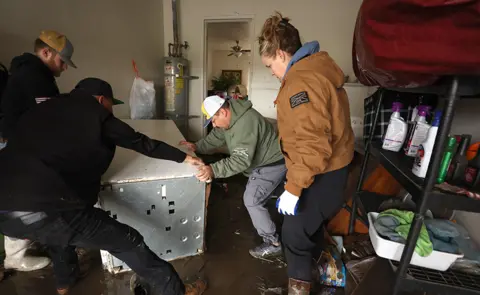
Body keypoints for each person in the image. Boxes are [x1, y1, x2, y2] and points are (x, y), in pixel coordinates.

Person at [0, 78, 207, 295]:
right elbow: (142, 142)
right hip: (46, 208)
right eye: (111, 105)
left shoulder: (42, 109)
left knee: (58, 232)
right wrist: (185, 158)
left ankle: (65, 283)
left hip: (6, 210)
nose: (111, 111)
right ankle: (176, 291)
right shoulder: (96, 115)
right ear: (101, 100)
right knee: (128, 242)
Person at [258, 12, 354, 294]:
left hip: (322, 172)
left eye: (270, 65)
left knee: (294, 234)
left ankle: (301, 289)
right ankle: (324, 281)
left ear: (280, 54)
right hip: (334, 170)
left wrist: (294, 187)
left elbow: (312, 144)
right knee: (309, 228)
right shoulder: (318, 69)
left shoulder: (300, 82)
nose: (272, 73)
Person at [0, 30, 76, 272]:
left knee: (20, 200)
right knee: (22, 201)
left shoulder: (28, 71)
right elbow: (47, 120)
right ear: (46, 52)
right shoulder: (35, 76)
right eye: (62, 61)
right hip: (17, 147)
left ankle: (24, 246)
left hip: (16, 144)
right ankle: (15, 257)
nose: (63, 68)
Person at [181, 95, 286, 259]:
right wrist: (197, 146)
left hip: (271, 164)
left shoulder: (245, 123)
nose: (214, 125)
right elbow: (217, 136)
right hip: (261, 162)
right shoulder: (232, 117)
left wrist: (213, 170)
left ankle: (273, 243)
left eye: (214, 120)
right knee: (263, 194)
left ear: (222, 112)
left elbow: (240, 160)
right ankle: (280, 194)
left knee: (252, 200)